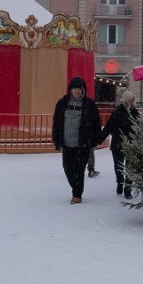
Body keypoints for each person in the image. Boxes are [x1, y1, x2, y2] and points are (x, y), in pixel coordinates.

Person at [52, 76, 102, 204]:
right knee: (67, 168)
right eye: (75, 89)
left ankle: (77, 194)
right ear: (70, 90)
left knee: (79, 170)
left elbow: (96, 123)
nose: (77, 91)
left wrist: (95, 140)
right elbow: (57, 123)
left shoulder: (89, 104)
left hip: (82, 144)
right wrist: (57, 140)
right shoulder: (62, 103)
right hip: (67, 143)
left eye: (79, 89)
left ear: (83, 90)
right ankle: (76, 188)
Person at [100, 90, 139, 199]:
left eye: (133, 100)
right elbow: (108, 127)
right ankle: (120, 182)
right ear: (126, 101)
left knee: (130, 168)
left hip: (131, 144)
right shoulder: (117, 112)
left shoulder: (135, 112)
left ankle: (128, 189)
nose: (133, 102)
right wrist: (99, 139)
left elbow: (139, 127)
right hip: (118, 143)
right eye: (131, 100)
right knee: (119, 167)